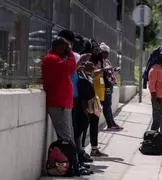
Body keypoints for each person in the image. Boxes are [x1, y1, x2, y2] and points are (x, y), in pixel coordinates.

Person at [58, 30, 93, 165]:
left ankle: (77, 154)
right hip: (66, 97)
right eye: (70, 43)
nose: (71, 45)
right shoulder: (61, 56)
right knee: (70, 130)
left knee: (80, 124)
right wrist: (80, 63)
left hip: (74, 95)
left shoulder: (70, 55)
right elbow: (67, 71)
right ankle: (72, 159)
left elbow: (72, 70)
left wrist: (82, 65)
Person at [99, 42, 123, 131]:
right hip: (103, 86)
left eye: (107, 52)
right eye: (104, 52)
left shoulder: (107, 61)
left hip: (109, 86)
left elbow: (110, 71)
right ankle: (110, 124)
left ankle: (112, 123)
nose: (106, 54)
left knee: (108, 104)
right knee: (106, 104)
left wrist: (114, 70)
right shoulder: (99, 61)